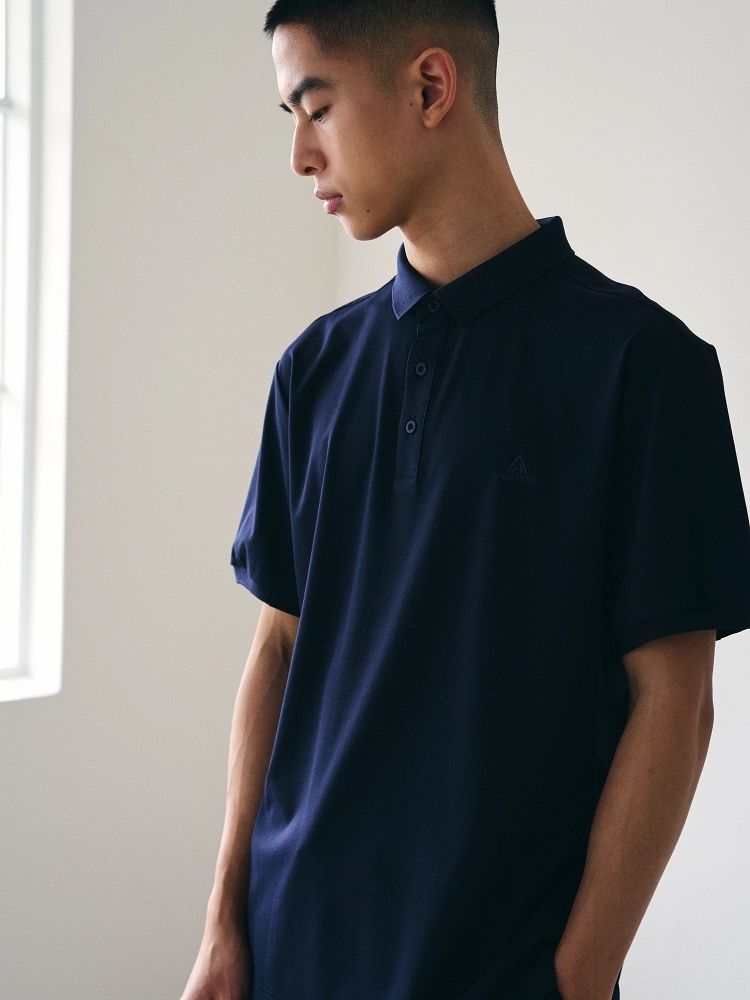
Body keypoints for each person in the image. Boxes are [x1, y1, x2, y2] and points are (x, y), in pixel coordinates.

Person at [179, 3, 750, 999]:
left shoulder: (645, 368)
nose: (300, 155)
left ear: (431, 86)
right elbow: (276, 649)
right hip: (292, 949)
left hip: (501, 970)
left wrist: (580, 974)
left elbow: (676, 700)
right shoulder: (313, 369)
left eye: (317, 105)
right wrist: (225, 926)